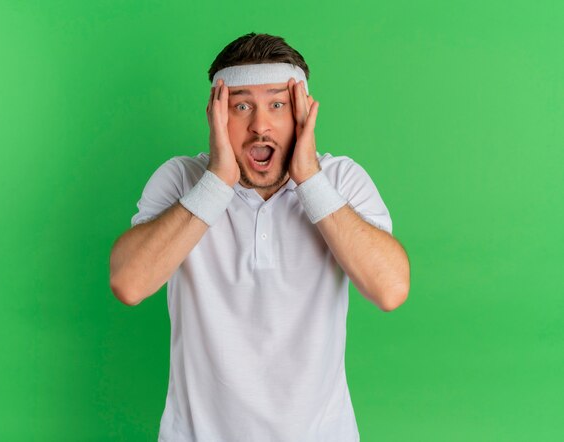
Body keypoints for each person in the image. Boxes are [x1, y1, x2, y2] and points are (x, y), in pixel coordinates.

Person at [109, 32, 410, 442]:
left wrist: (310, 181)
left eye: (277, 104)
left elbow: (391, 289)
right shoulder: (182, 179)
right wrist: (217, 182)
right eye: (242, 106)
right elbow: (129, 283)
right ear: (216, 114)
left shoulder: (339, 180)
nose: (260, 125)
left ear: (301, 113)